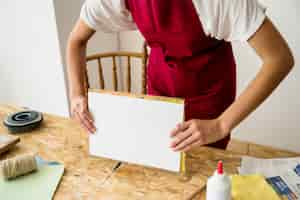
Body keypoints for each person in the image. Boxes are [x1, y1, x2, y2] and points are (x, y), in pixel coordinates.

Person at [66, 0, 294, 152]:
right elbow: (76, 41)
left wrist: (220, 125)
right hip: (161, 80)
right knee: (162, 155)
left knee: (206, 168)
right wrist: (77, 94)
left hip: (209, 86)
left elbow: (279, 59)